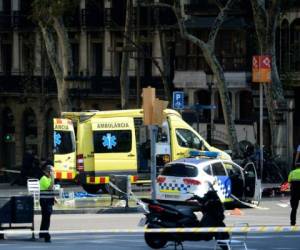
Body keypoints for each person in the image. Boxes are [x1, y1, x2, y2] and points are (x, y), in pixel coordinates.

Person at [39, 163, 55, 242]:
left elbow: (51, 190)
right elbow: (49, 188)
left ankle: (42, 233)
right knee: (46, 218)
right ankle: (46, 234)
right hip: (45, 201)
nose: (53, 174)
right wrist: (52, 179)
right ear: (47, 172)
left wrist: (54, 198)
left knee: (46, 218)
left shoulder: (48, 179)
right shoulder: (44, 178)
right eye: (52, 172)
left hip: (49, 200)